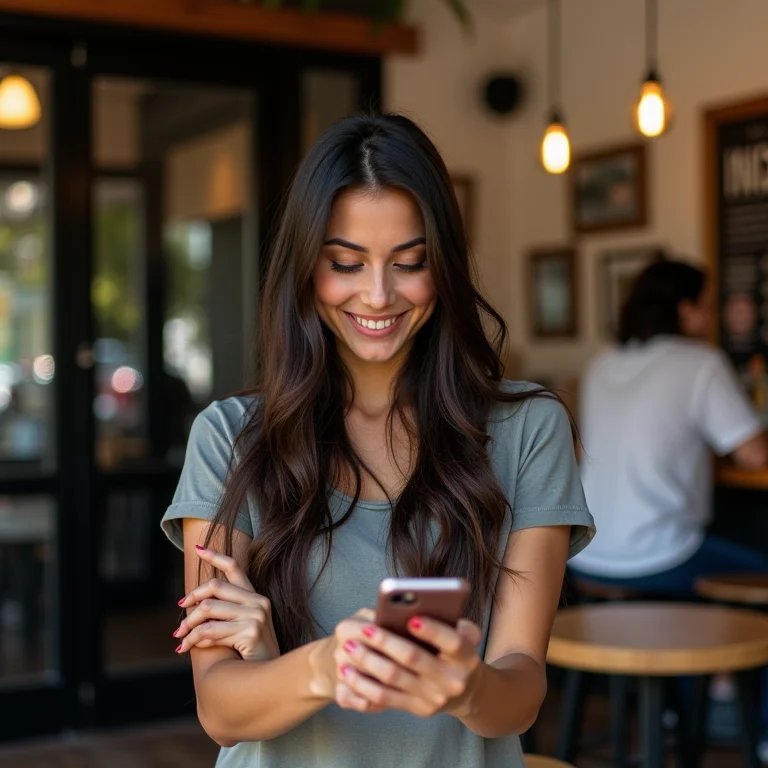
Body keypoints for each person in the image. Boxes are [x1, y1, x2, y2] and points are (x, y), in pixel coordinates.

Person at [160, 113, 595, 768]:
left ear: (442, 264)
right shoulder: (228, 437)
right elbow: (221, 710)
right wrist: (325, 665)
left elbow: (522, 689)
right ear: (306, 268)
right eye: (346, 263)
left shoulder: (527, 429)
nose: (378, 294)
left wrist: (467, 685)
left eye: (409, 262)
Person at [571, 257, 768, 592]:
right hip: (658, 558)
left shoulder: (601, 364)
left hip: (584, 556)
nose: (711, 318)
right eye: (705, 306)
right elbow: (755, 455)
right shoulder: (701, 361)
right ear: (684, 309)